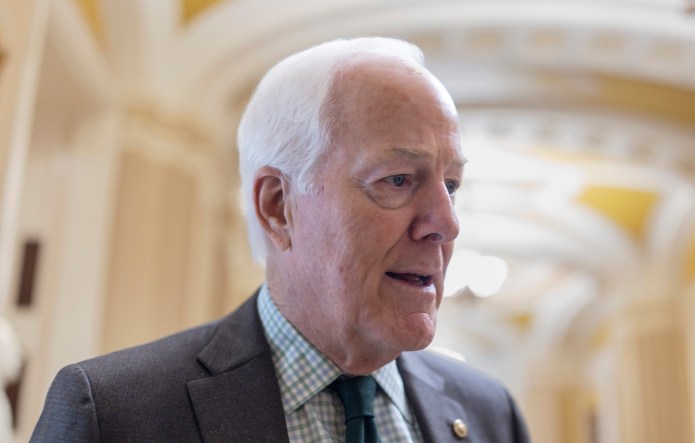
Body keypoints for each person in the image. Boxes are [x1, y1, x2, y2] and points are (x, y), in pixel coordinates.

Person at [32, 37, 530, 442]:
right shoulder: (115, 415)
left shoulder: (489, 415)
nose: (446, 223)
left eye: (451, 185)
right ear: (277, 207)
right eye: (398, 180)